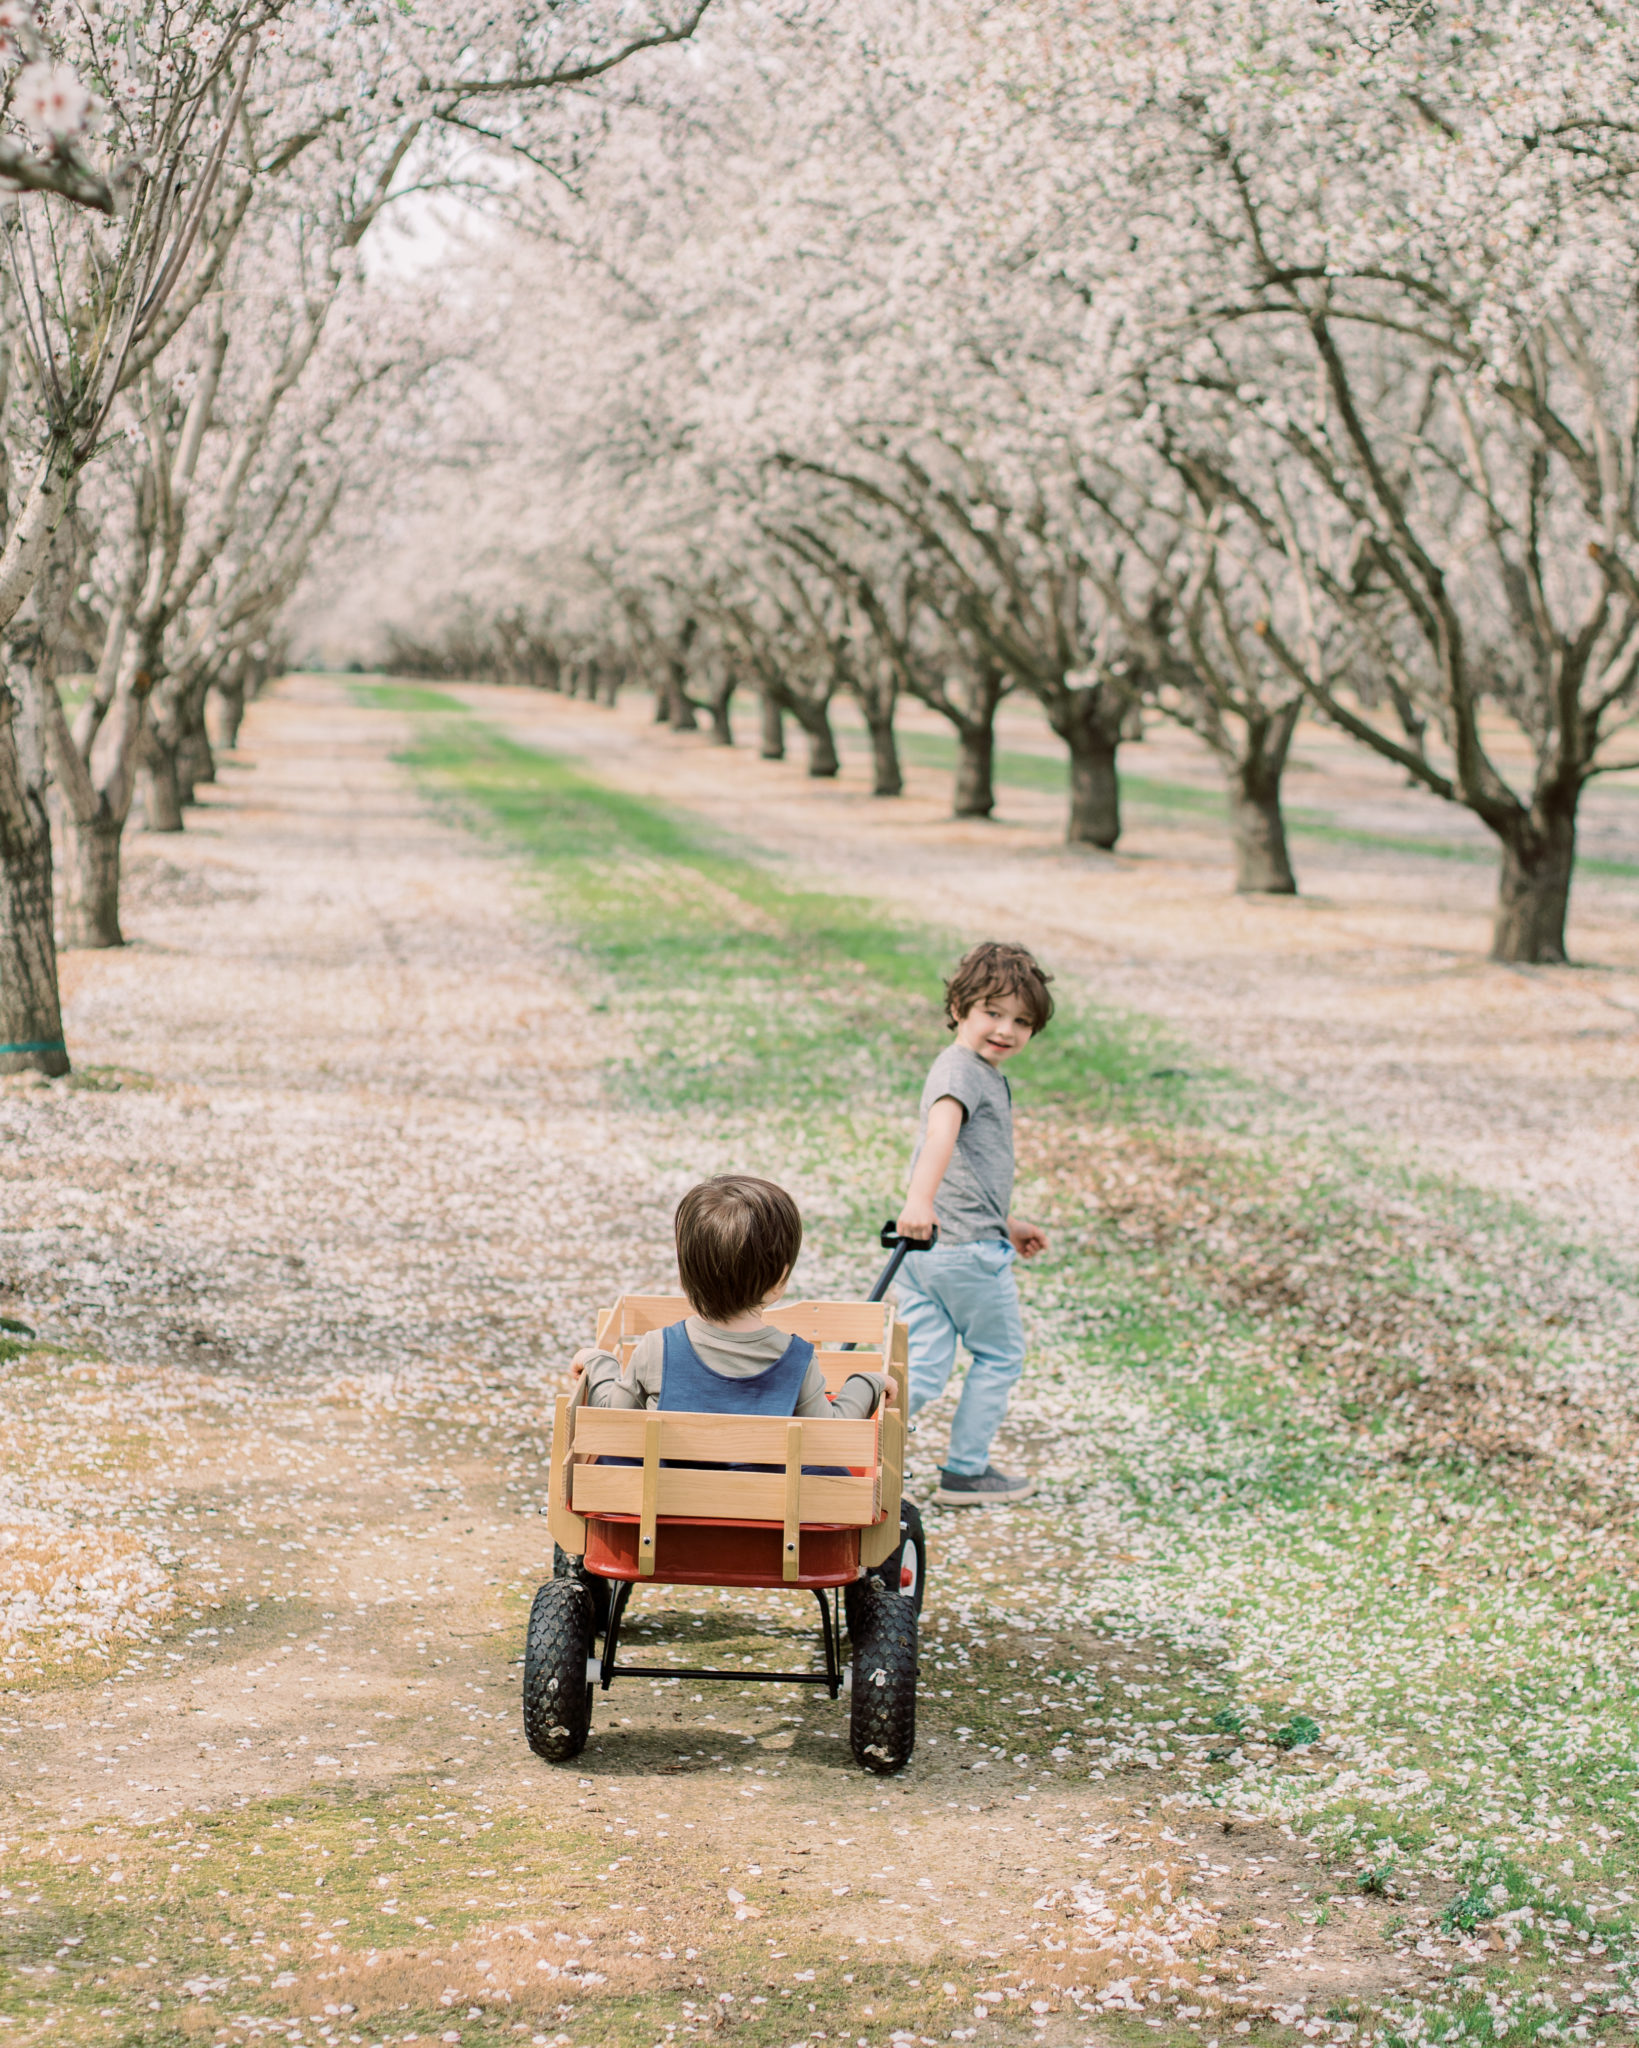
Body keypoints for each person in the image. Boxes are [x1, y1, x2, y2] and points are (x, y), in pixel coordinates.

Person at [894, 940, 1053, 1506]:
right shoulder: (961, 1071)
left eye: (1022, 1021)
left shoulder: (970, 1068)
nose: (1006, 1029)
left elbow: (967, 1170)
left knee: (924, 1366)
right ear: (959, 1007)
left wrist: (1005, 1223)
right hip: (965, 1253)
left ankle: (849, 1451)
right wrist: (918, 1200)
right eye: (993, 1012)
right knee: (1000, 1355)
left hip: (929, 1250)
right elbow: (941, 1134)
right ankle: (966, 1471)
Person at [577, 1173, 884, 1418]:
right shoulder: (796, 1362)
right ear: (780, 1280)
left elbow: (610, 1416)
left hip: (668, 1482)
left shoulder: (656, 1350)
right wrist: (867, 1383)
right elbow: (832, 1433)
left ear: (685, 1275)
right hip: (768, 1483)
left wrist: (599, 1361)